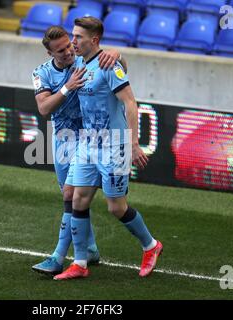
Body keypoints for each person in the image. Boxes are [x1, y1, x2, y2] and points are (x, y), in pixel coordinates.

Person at [53, 17, 163, 280]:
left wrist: (134, 143)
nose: (73, 41)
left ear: (95, 40)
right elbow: (53, 58)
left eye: (78, 37)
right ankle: (79, 263)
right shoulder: (79, 62)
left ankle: (151, 245)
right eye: (73, 35)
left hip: (114, 147)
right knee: (76, 198)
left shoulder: (109, 66)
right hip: (87, 144)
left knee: (116, 207)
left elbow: (131, 104)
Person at [31, 25, 126, 276]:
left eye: (69, 45)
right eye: (61, 50)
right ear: (50, 54)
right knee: (72, 198)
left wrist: (117, 54)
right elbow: (43, 109)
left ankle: (58, 257)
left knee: (71, 195)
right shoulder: (41, 73)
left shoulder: (84, 60)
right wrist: (67, 87)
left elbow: (118, 69)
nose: (68, 52)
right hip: (63, 138)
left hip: (88, 137)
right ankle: (90, 250)